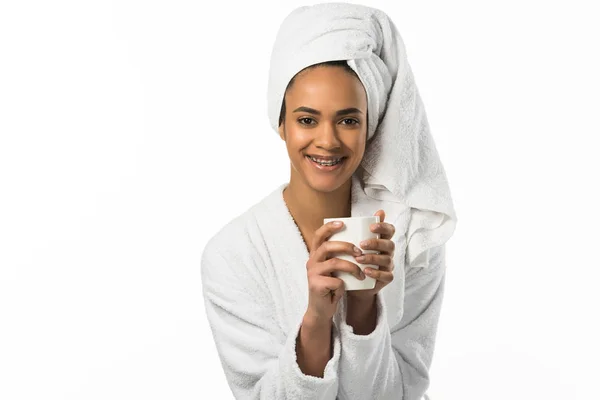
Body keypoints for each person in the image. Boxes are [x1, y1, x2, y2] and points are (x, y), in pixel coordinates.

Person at [201, 3, 457, 399]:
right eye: (306, 119)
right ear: (281, 123)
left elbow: (404, 392)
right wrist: (317, 321)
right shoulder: (233, 254)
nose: (328, 140)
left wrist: (364, 308)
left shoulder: (413, 239)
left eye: (348, 120)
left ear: (370, 127)